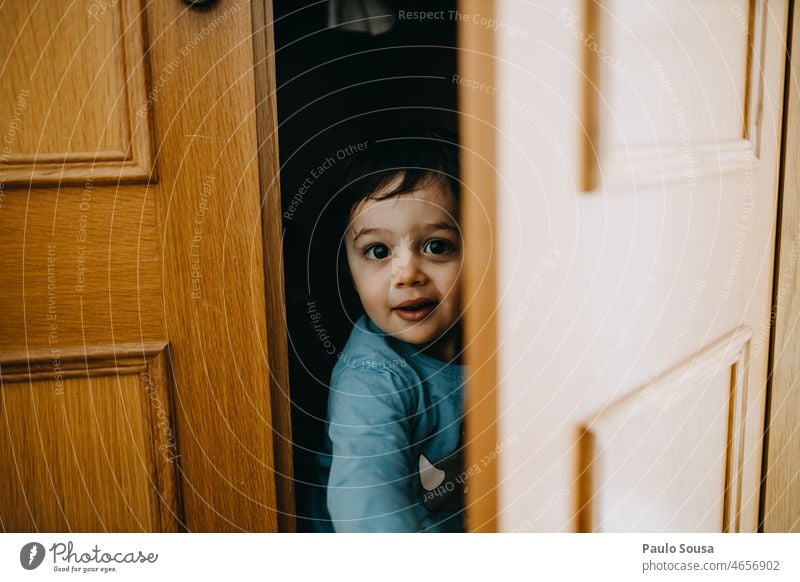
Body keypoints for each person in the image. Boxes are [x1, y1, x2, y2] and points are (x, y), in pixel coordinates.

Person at [308, 128, 467, 532]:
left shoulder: (504, 340)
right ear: (350, 268)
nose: (408, 273)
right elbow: (368, 512)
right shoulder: (372, 380)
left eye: (437, 246)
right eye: (379, 251)